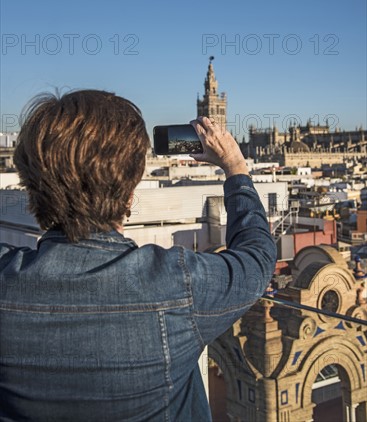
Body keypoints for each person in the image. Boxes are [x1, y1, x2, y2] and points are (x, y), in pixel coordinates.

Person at [0, 89, 277, 421]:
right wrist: (234, 165)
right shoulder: (178, 284)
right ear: (131, 194)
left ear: (31, 187)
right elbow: (257, 257)